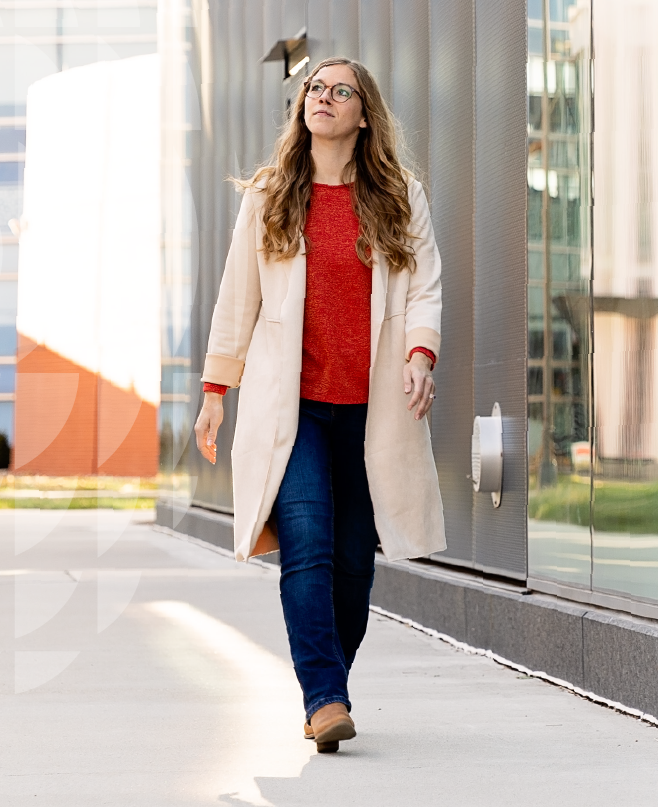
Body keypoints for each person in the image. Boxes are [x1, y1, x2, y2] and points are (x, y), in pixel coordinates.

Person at [191, 57, 445, 753]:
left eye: (341, 91)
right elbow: (236, 297)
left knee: (355, 562)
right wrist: (217, 390)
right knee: (306, 542)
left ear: (365, 115)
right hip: (293, 407)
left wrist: (421, 354)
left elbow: (425, 288)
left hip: (371, 410)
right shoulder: (271, 197)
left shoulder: (400, 197)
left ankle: (322, 687)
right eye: (315, 89)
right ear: (301, 106)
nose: (324, 98)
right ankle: (326, 695)